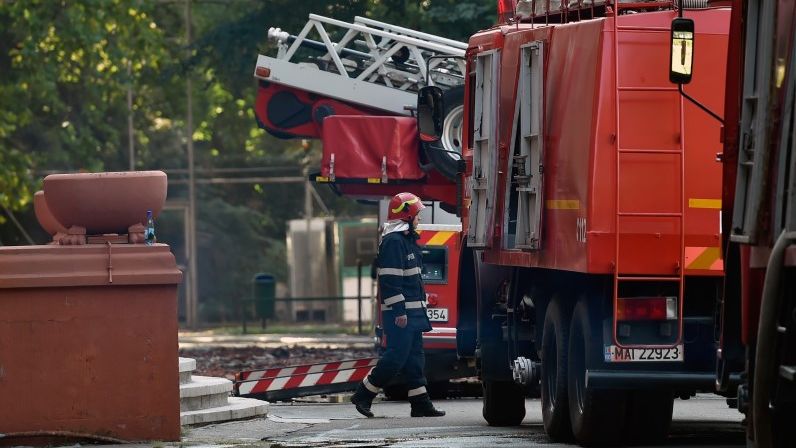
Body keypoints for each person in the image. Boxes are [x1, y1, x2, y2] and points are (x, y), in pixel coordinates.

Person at [351, 192, 446, 418]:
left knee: (415, 358)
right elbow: (391, 281)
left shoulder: (406, 241)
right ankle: (364, 393)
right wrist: (399, 311)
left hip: (412, 314)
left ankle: (421, 403)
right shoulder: (394, 242)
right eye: (417, 214)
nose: (420, 219)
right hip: (401, 315)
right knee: (396, 357)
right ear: (406, 215)